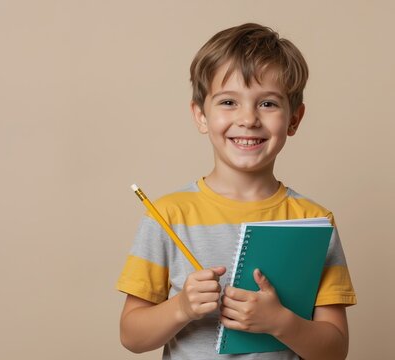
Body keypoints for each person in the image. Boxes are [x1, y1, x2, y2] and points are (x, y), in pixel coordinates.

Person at [116, 23, 357, 360]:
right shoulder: (167, 215)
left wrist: (280, 322)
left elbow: (334, 351)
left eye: (268, 104)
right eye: (229, 101)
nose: (248, 119)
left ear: (294, 119)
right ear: (201, 115)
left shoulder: (314, 221)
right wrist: (181, 307)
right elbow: (132, 336)